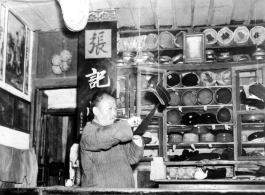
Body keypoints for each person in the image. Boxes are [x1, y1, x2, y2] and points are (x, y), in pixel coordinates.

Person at [80, 91, 144, 188]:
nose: (114, 113)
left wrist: (137, 140)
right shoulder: (88, 132)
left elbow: (132, 158)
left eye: (115, 109)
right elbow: (103, 137)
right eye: (109, 108)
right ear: (96, 111)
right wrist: (126, 124)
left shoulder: (115, 132)